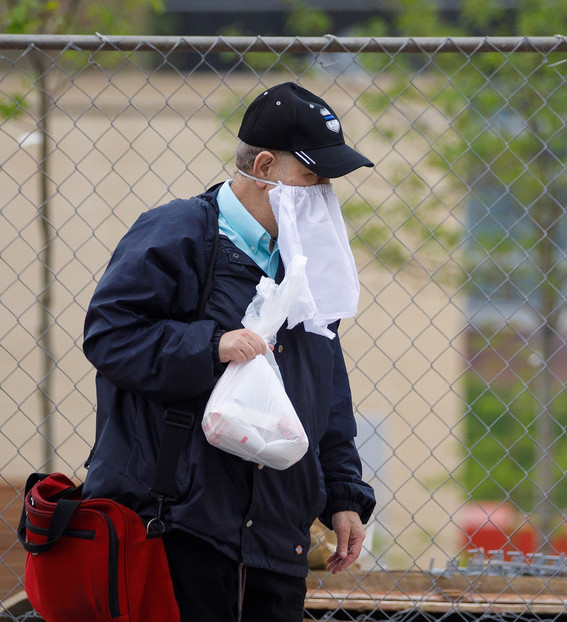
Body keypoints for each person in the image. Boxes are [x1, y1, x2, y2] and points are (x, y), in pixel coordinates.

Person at [83, 82, 377, 622]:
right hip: (178, 529)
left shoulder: (305, 260)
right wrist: (210, 344)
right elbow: (109, 335)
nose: (322, 193)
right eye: (311, 176)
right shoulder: (178, 233)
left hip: (276, 543)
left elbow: (326, 387)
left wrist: (343, 494)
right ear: (265, 165)